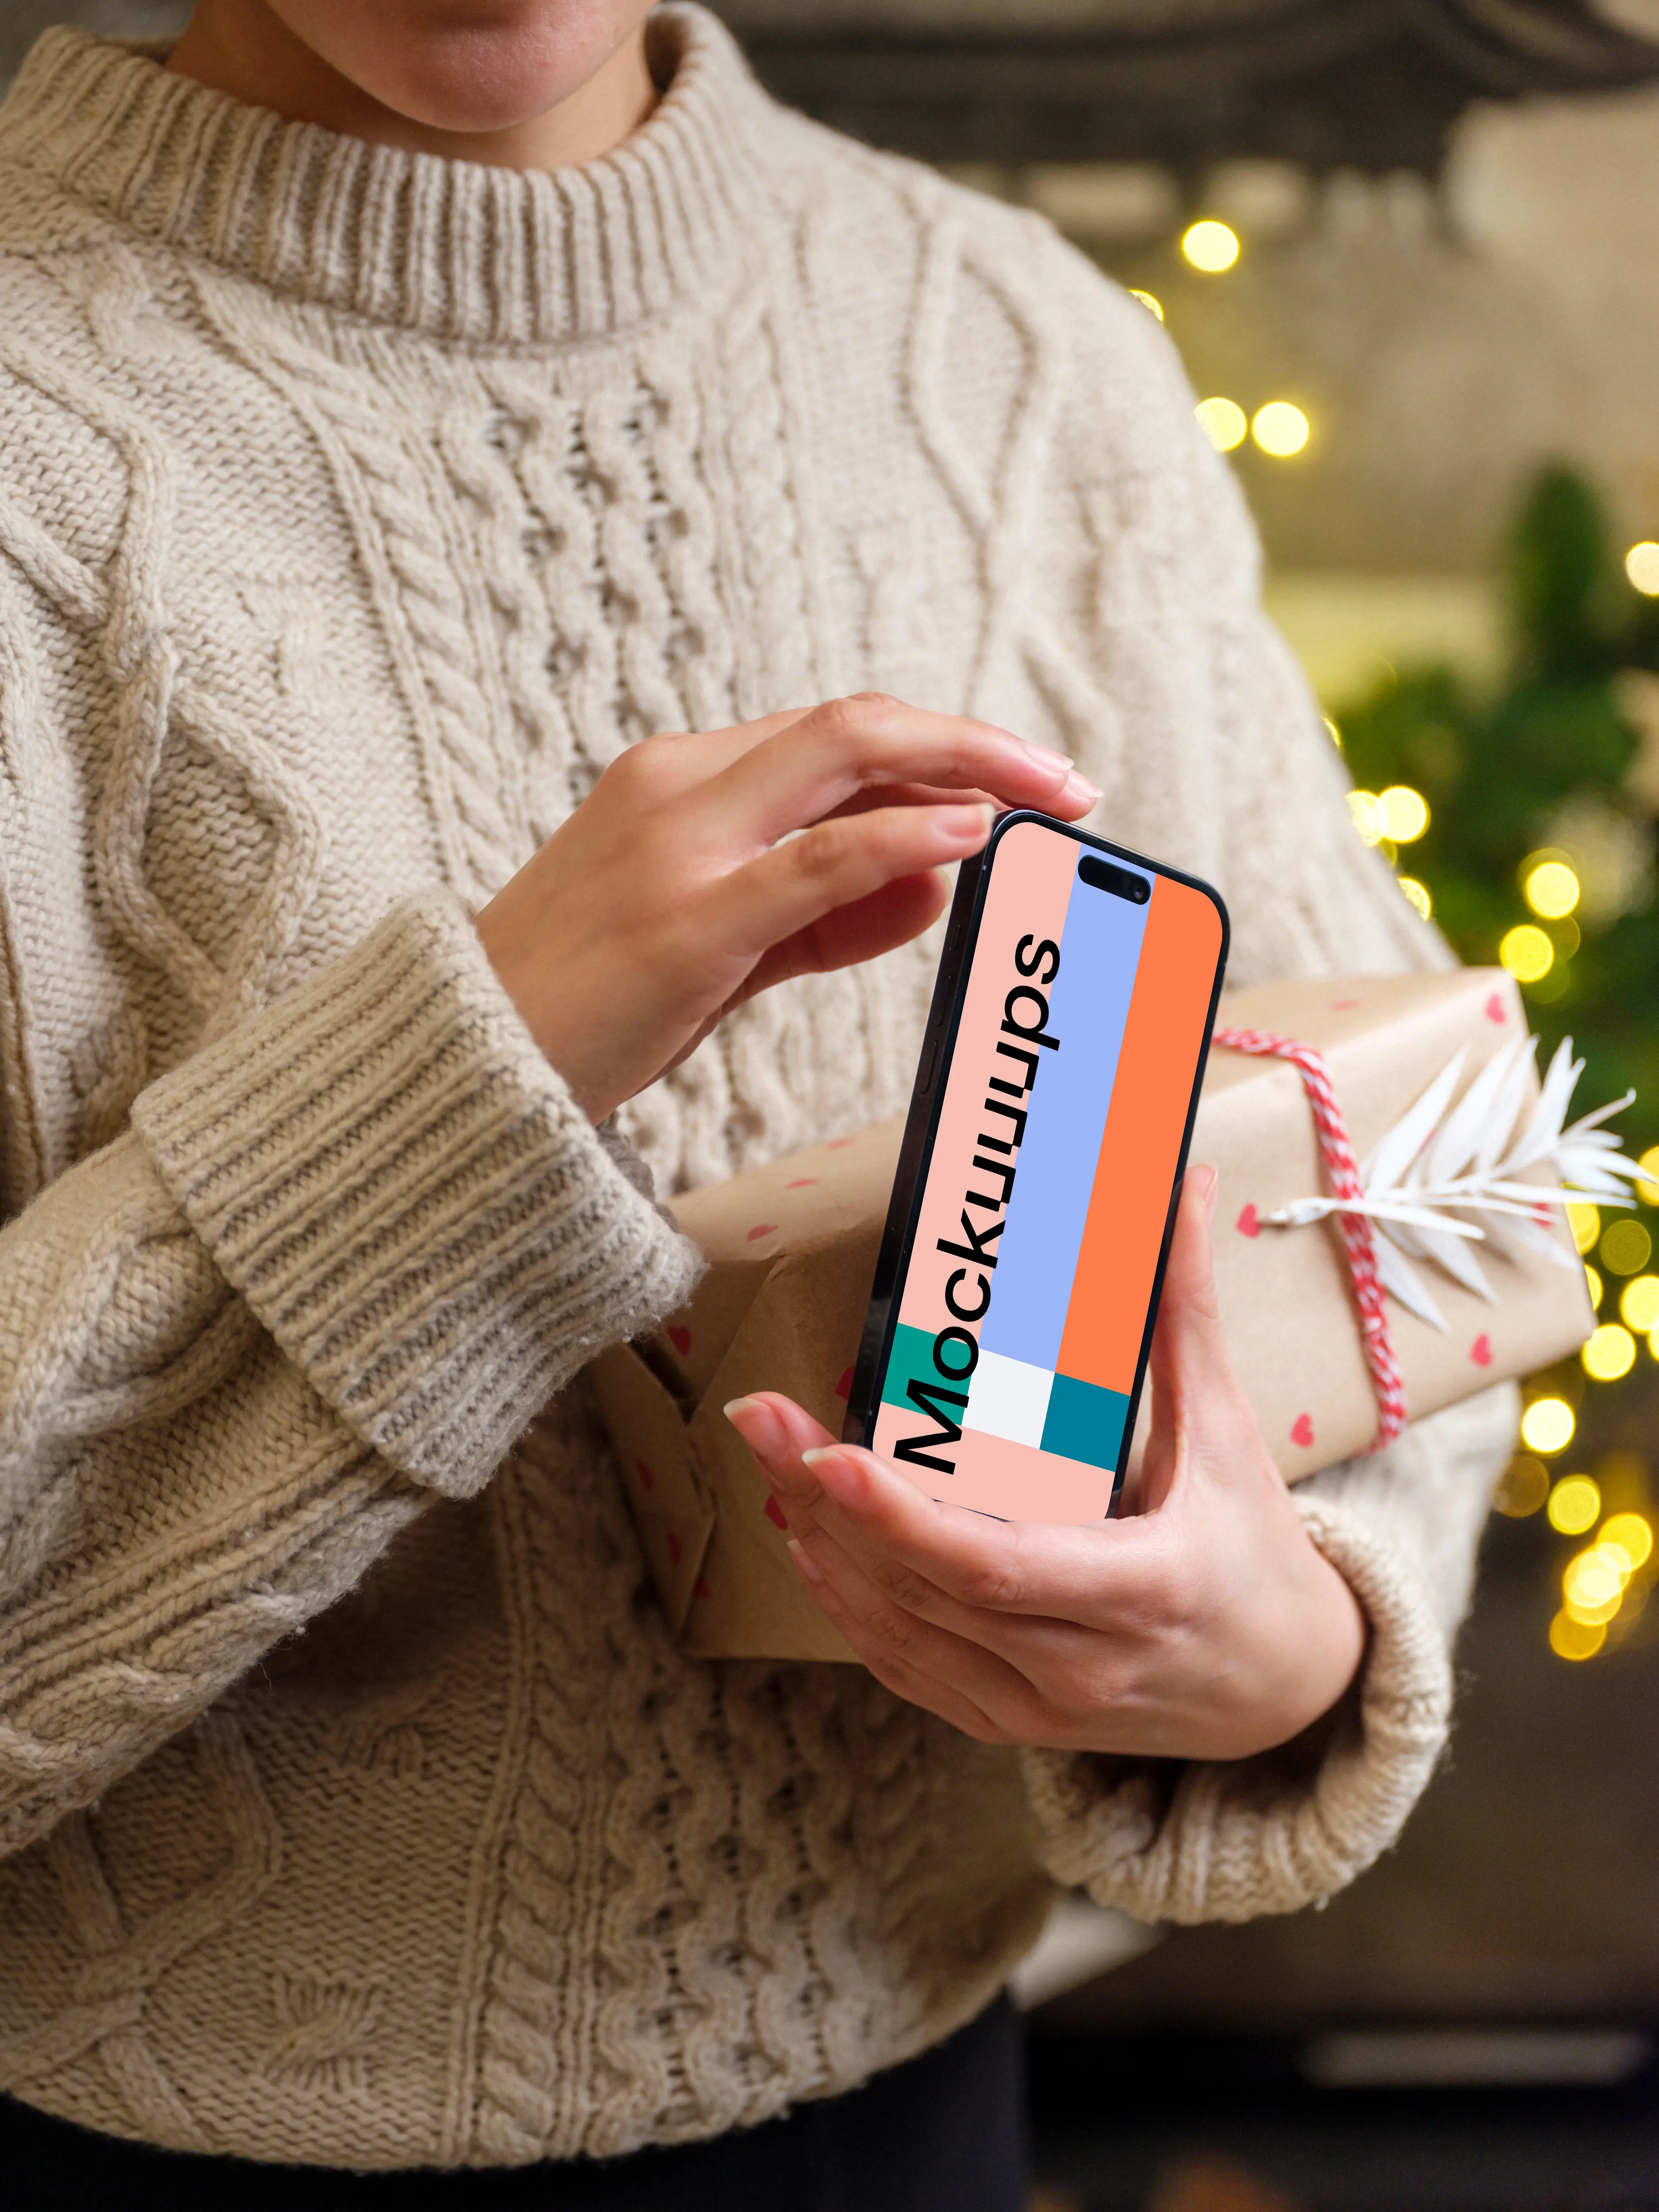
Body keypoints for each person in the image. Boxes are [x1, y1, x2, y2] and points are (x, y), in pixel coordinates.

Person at [0, 1, 1513, 2202]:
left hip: (925, 2114)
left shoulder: (1018, 354)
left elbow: (1417, 1195)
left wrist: (1293, 1633)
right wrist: (475, 1070)